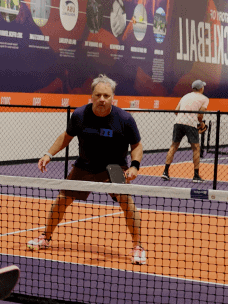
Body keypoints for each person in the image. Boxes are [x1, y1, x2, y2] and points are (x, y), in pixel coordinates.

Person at [27, 74, 146, 265]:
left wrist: (134, 166)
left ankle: (138, 247)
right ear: (91, 95)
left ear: (112, 97)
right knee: (62, 200)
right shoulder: (80, 115)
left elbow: (137, 145)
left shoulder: (124, 119)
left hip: (114, 167)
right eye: (98, 95)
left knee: (126, 202)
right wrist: (48, 154)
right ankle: (45, 237)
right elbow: (66, 137)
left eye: (106, 96)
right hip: (85, 165)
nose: (102, 99)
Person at [162, 80, 209, 183]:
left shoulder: (185, 96)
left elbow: (176, 111)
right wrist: (200, 124)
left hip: (178, 122)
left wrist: (183, 118)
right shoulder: (204, 99)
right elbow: (200, 115)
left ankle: (165, 172)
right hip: (191, 124)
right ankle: (196, 176)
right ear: (201, 88)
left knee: (173, 146)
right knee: (196, 148)